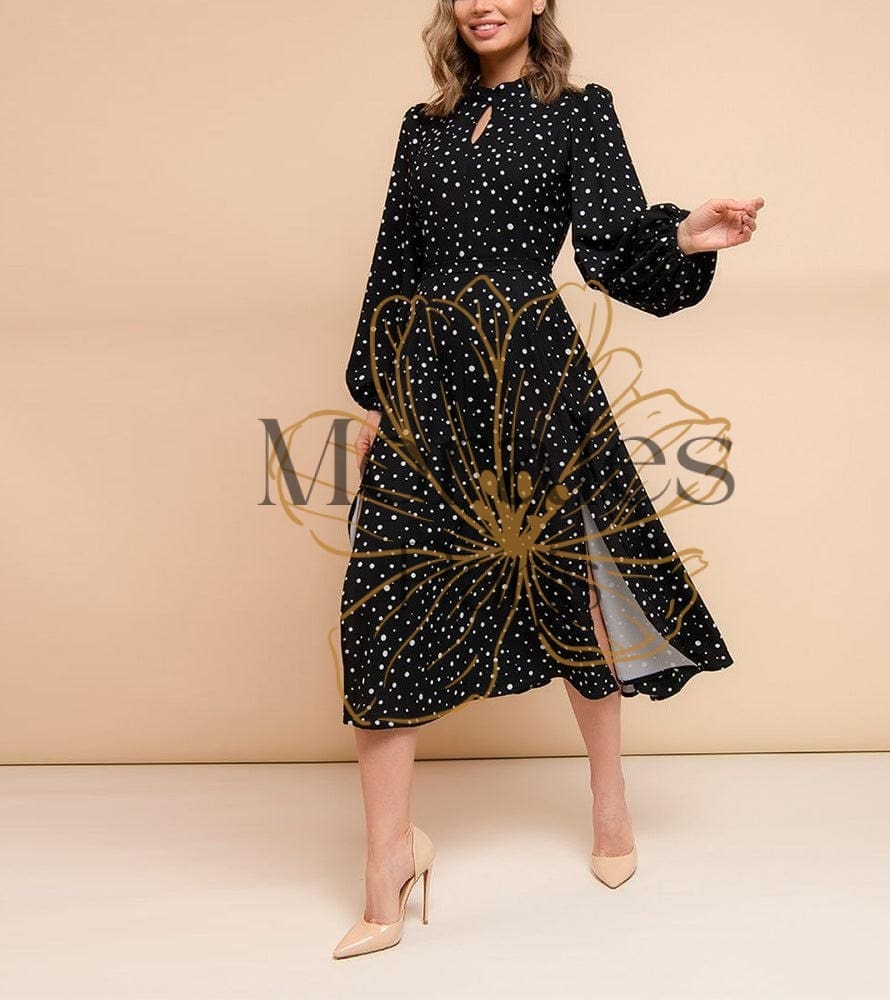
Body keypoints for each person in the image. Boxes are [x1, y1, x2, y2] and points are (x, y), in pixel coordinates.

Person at [333, 0, 763, 959]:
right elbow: (392, 262)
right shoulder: (423, 126)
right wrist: (375, 396)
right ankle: (387, 861)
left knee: (576, 585)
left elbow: (609, 247)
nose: (483, 4)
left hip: (530, 370)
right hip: (425, 378)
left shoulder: (579, 109)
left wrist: (684, 239)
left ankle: (609, 798)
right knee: (381, 601)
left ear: (539, 2)